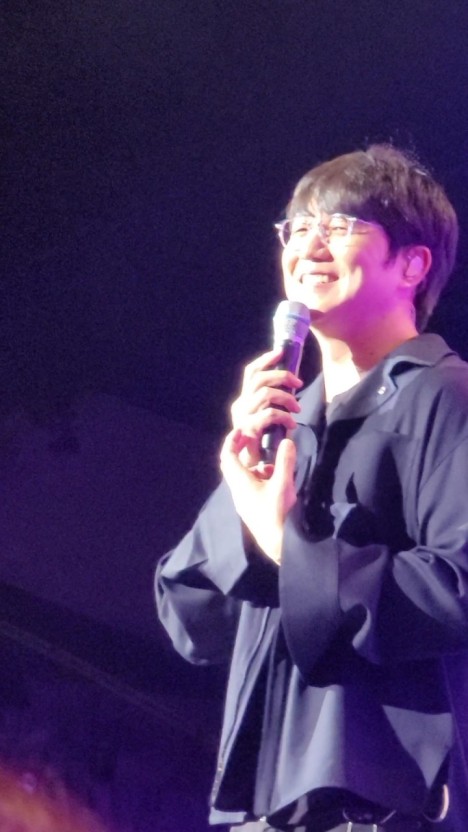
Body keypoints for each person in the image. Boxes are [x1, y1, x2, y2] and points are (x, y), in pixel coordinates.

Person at [155, 145, 468, 832]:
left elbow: (456, 586)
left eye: (340, 224)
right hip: (266, 809)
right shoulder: (291, 422)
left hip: (385, 807)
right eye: (297, 228)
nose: (308, 245)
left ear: (412, 265)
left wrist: (288, 544)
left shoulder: (448, 398)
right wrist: (245, 484)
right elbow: (190, 614)